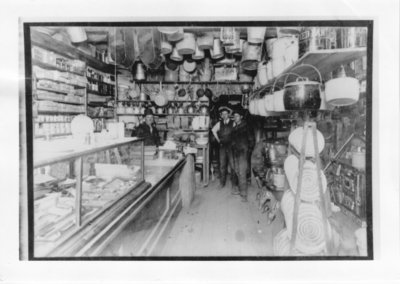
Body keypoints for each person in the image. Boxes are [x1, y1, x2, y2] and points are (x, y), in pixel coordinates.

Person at [231, 107, 255, 202]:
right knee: (237, 170)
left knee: (242, 172)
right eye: (234, 116)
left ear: (241, 117)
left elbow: (251, 140)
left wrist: (248, 151)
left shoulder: (246, 126)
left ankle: (244, 195)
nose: (235, 117)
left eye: (237, 116)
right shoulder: (235, 127)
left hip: (243, 152)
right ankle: (240, 190)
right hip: (235, 152)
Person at [211, 106, 237, 190]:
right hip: (222, 146)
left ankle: (234, 184)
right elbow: (213, 130)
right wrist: (218, 140)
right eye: (223, 114)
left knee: (233, 166)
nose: (225, 115)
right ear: (221, 115)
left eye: (226, 114)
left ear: (228, 115)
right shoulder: (219, 123)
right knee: (222, 165)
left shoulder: (233, 123)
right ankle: (222, 183)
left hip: (231, 146)